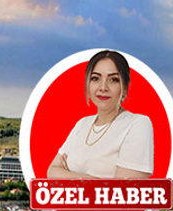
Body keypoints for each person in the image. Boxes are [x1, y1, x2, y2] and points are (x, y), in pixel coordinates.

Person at [47, 50, 154, 179]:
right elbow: (52, 172)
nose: (103, 87)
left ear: (125, 87)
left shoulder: (137, 124)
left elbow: (124, 192)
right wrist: (94, 180)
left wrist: (67, 175)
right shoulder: (82, 124)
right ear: (88, 84)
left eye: (113, 80)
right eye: (95, 78)